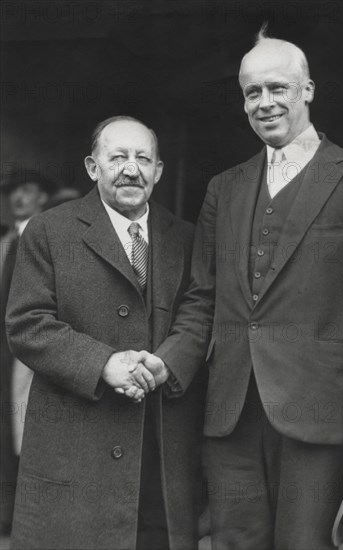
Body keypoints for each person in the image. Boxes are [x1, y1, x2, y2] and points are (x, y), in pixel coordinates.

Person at [137, 29, 343, 549]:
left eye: (278, 88)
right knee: (233, 543)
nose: (265, 103)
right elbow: (203, 299)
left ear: (308, 90)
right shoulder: (224, 188)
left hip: (320, 416)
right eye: (252, 92)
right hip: (230, 413)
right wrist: (166, 362)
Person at [6, 116, 204, 550]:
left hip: (157, 447)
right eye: (117, 158)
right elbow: (27, 323)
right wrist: (104, 364)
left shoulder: (185, 237)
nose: (131, 169)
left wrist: (167, 362)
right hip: (75, 448)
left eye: (142, 159)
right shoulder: (49, 231)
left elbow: (199, 312)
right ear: (93, 168)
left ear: (159, 171)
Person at [0, 170, 54, 535]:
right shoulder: (6, 240)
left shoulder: (48, 235)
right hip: (4, 351)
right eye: (14, 191)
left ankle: (30, 517)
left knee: (29, 424)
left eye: (29, 189)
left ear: (43, 197)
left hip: (30, 348)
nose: (20, 197)